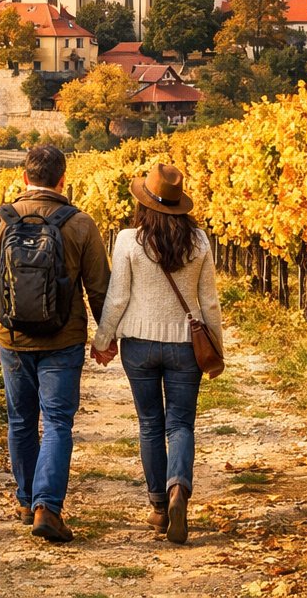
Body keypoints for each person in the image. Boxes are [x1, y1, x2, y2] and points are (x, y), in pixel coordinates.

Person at [0, 144, 109, 543]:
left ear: (25, 177)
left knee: (21, 421)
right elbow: (100, 289)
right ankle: (48, 507)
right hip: (63, 340)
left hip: (13, 338)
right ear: (63, 180)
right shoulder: (81, 224)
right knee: (58, 422)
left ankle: (26, 499)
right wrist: (105, 337)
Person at [91, 162, 223, 545]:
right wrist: (216, 348)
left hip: (139, 346)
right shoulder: (199, 242)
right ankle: (179, 488)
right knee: (180, 424)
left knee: (150, 424)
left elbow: (117, 299)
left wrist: (102, 341)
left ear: (144, 204)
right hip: (186, 345)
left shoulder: (129, 240)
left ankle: (158, 508)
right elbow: (209, 303)